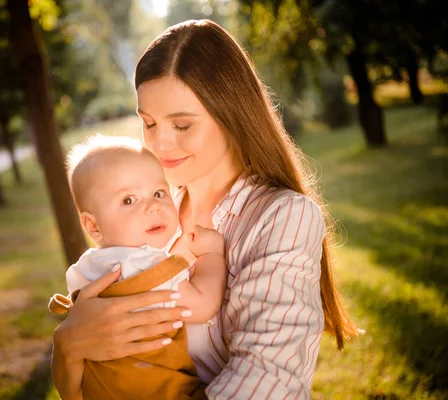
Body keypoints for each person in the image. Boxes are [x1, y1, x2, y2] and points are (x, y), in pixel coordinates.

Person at [51, 19, 360, 399]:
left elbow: (268, 381)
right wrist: (67, 347)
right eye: (148, 123)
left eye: (181, 125)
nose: (160, 144)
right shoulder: (145, 224)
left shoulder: (283, 217)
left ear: (232, 115)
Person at [48, 135, 227, 399]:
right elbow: (200, 305)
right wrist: (212, 254)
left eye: (158, 193)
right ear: (93, 226)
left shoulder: (86, 267)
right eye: (129, 200)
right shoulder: (145, 266)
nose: (153, 206)